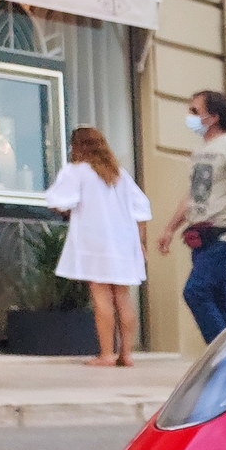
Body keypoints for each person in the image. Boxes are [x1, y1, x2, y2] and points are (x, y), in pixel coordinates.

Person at [43, 126, 152, 367]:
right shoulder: (119, 174)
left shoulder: (76, 171)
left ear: (76, 146)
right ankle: (127, 354)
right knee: (123, 298)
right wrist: (140, 243)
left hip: (95, 242)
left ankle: (106, 354)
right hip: (123, 242)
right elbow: (142, 208)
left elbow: (61, 201)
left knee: (101, 296)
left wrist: (62, 207)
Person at [156, 89, 226, 342]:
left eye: (195, 111)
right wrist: (170, 228)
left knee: (196, 291)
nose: (190, 116)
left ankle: (220, 354)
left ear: (214, 116)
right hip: (201, 236)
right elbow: (192, 194)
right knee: (220, 300)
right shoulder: (200, 152)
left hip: (224, 233)